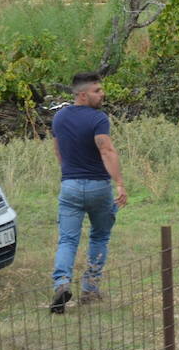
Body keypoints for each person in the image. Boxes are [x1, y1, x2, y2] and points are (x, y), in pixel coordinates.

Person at [50, 73, 128, 313]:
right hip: (98, 187)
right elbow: (107, 150)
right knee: (99, 237)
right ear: (82, 94)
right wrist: (120, 183)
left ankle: (61, 283)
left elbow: (58, 150)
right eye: (97, 90)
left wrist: (69, 173)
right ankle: (90, 290)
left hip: (70, 186)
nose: (102, 93)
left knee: (67, 239)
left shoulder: (59, 117)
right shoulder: (98, 119)